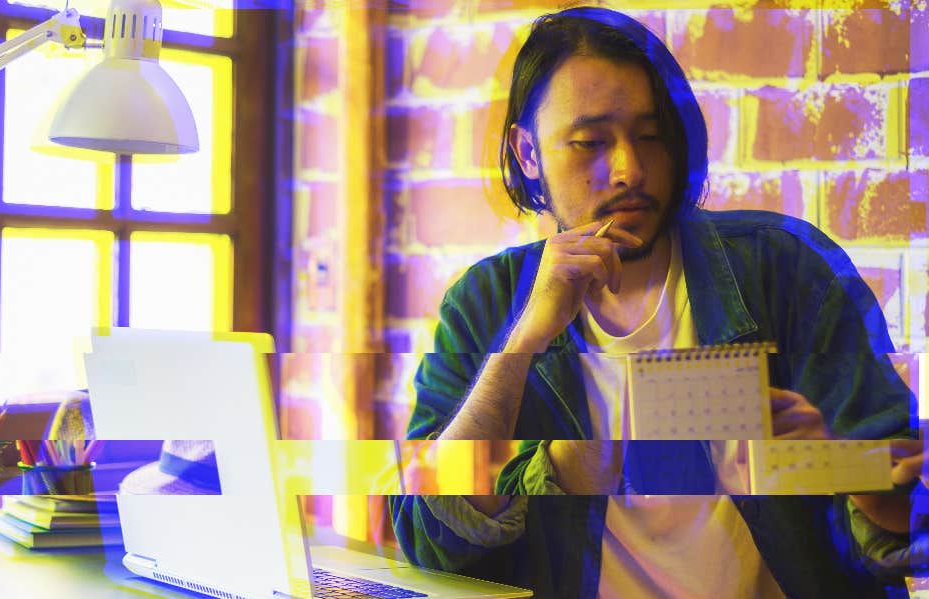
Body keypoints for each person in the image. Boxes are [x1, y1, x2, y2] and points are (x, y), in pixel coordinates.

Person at [388, 7, 922, 598]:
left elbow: (909, 516)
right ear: (528, 152)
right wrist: (522, 347)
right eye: (589, 142)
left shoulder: (781, 268)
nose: (629, 170)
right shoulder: (483, 302)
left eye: (650, 136)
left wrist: (837, 468)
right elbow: (429, 535)